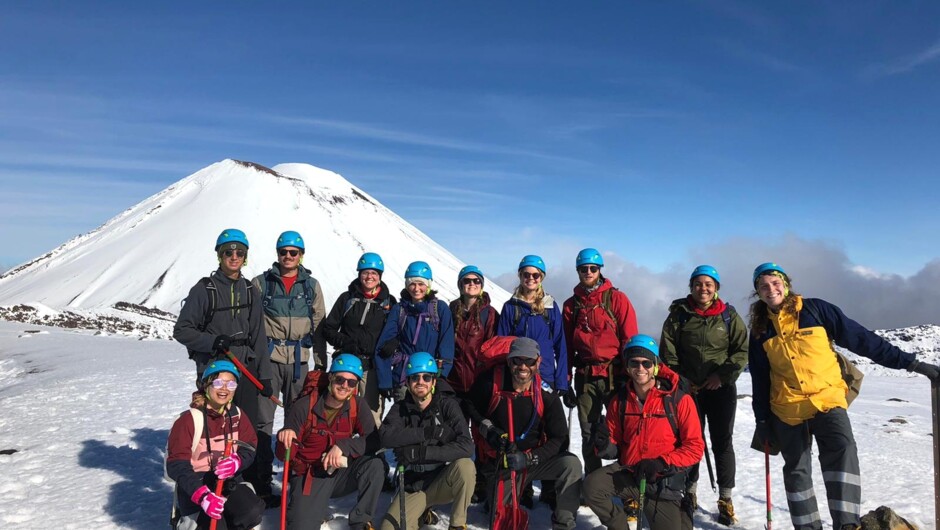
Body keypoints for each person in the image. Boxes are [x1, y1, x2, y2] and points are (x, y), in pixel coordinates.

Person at [749, 262, 940, 530]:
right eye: (763, 286)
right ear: (757, 292)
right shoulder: (760, 330)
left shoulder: (816, 310)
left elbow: (861, 339)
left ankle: (847, 525)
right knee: (796, 472)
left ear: (786, 284)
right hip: (787, 409)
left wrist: (910, 363)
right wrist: (762, 421)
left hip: (827, 400)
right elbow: (759, 378)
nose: (771, 289)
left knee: (843, 452)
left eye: (775, 283)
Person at [584, 335, 704, 530]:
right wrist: (604, 444)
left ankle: (680, 513)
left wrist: (661, 462)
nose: (640, 368)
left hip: (661, 480)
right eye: (634, 362)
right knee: (592, 486)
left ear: (656, 366)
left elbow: (695, 448)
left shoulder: (678, 401)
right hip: (630, 472)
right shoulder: (620, 401)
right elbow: (615, 445)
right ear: (628, 366)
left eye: (646, 363)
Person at [464, 337, 582, 530]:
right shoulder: (491, 383)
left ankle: (564, 524)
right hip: (501, 463)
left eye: (529, 361)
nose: (523, 366)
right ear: (509, 361)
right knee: (499, 518)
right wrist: (489, 429)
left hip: (533, 460)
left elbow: (560, 439)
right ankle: (497, 496)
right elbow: (470, 405)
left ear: (538, 362)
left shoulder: (545, 395)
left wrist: (530, 458)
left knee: (571, 465)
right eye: (517, 360)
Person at [659, 264, 747, 524]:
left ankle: (725, 498)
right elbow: (669, 350)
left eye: (709, 284)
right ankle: (690, 491)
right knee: (690, 441)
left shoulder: (729, 316)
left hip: (721, 389)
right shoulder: (679, 314)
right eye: (698, 284)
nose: (703, 288)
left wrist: (722, 376)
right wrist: (680, 380)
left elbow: (741, 351)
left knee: (722, 442)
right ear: (691, 286)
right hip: (688, 390)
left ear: (716, 288)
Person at [250, 229, 327, 506]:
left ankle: (295, 480)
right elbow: (253, 325)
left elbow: (319, 325)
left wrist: (321, 363)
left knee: (299, 423)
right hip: (269, 361)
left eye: (293, 252)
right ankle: (261, 482)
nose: (288, 257)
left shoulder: (311, 286)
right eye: (283, 252)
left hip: (300, 362)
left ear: (301, 255)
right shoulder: (261, 283)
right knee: (263, 423)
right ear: (277, 254)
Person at [173, 228, 273, 438]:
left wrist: (264, 376)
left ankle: (248, 470)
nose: (234, 257)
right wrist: (212, 341)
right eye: (228, 252)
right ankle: (213, 470)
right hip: (214, 370)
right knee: (215, 429)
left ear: (245, 257)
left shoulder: (250, 290)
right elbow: (182, 330)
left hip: (246, 369)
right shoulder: (204, 289)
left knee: (246, 428)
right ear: (220, 255)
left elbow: (258, 336)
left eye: (240, 253)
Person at [277, 354, 383, 530]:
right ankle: (310, 508)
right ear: (331, 378)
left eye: (351, 382)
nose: (344, 386)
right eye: (340, 379)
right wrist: (285, 440)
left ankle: (361, 521)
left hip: (340, 473)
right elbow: (284, 457)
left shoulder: (357, 405)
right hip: (311, 476)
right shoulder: (304, 406)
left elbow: (374, 441)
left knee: (375, 466)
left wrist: (343, 446)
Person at [562, 248, 638, 475]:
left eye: (592, 268)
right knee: (589, 433)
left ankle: (626, 480)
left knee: (623, 430)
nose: (588, 272)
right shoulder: (571, 305)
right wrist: (565, 380)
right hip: (586, 378)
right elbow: (566, 345)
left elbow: (629, 339)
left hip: (616, 375)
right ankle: (594, 482)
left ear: (599, 270)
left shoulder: (617, 299)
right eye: (583, 269)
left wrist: (632, 375)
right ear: (578, 271)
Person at [379, 352, 475, 530]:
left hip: (441, 480)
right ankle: (422, 513)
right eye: (415, 377)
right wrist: (428, 433)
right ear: (407, 382)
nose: (420, 381)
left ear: (434, 381)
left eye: (426, 377)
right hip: (413, 485)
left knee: (465, 467)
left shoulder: (447, 406)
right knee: (388, 528)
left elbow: (467, 446)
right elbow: (385, 436)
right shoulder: (400, 409)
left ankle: (457, 524)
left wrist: (422, 453)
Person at [166, 360, 265, 530]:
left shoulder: (237, 415)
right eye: (218, 382)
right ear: (206, 385)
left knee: (252, 511)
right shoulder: (189, 420)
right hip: (197, 485)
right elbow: (176, 465)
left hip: (227, 482)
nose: (224, 389)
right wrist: (202, 495)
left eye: (231, 383)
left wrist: (237, 461)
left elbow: (249, 446)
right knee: (216, 524)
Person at [322, 252, 397, 426]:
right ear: (359, 274)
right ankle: (336, 445)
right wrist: (345, 342)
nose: (369, 277)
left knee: (372, 412)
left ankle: (372, 450)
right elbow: (329, 328)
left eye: (374, 273)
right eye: (365, 272)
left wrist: (394, 344)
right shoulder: (347, 299)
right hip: (346, 362)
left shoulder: (389, 302)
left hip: (372, 366)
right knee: (340, 407)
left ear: (380, 277)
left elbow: (397, 331)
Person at [445, 264, 499, 503]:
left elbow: (491, 348)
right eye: (467, 280)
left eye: (476, 281)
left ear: (482, 285)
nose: (471, 284)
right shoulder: (451, 309)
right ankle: (454, 480)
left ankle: (481, 483)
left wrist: (486, 378)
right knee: (455, 433)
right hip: (454, 382)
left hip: (479, 384)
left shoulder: (489, 314)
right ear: (460, 284)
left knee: (481, 435)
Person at [374, 260, 455, 403]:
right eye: (412, 283)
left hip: (429, 378)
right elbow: (383, 346)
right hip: (403, 377)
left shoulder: (440, 309)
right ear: (407, 285)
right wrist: (385, 381)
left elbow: (446, 345)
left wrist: (441, 376)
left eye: (421, 284)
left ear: (428, 285)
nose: (416, 288)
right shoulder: (399, 310)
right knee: (403, 421)